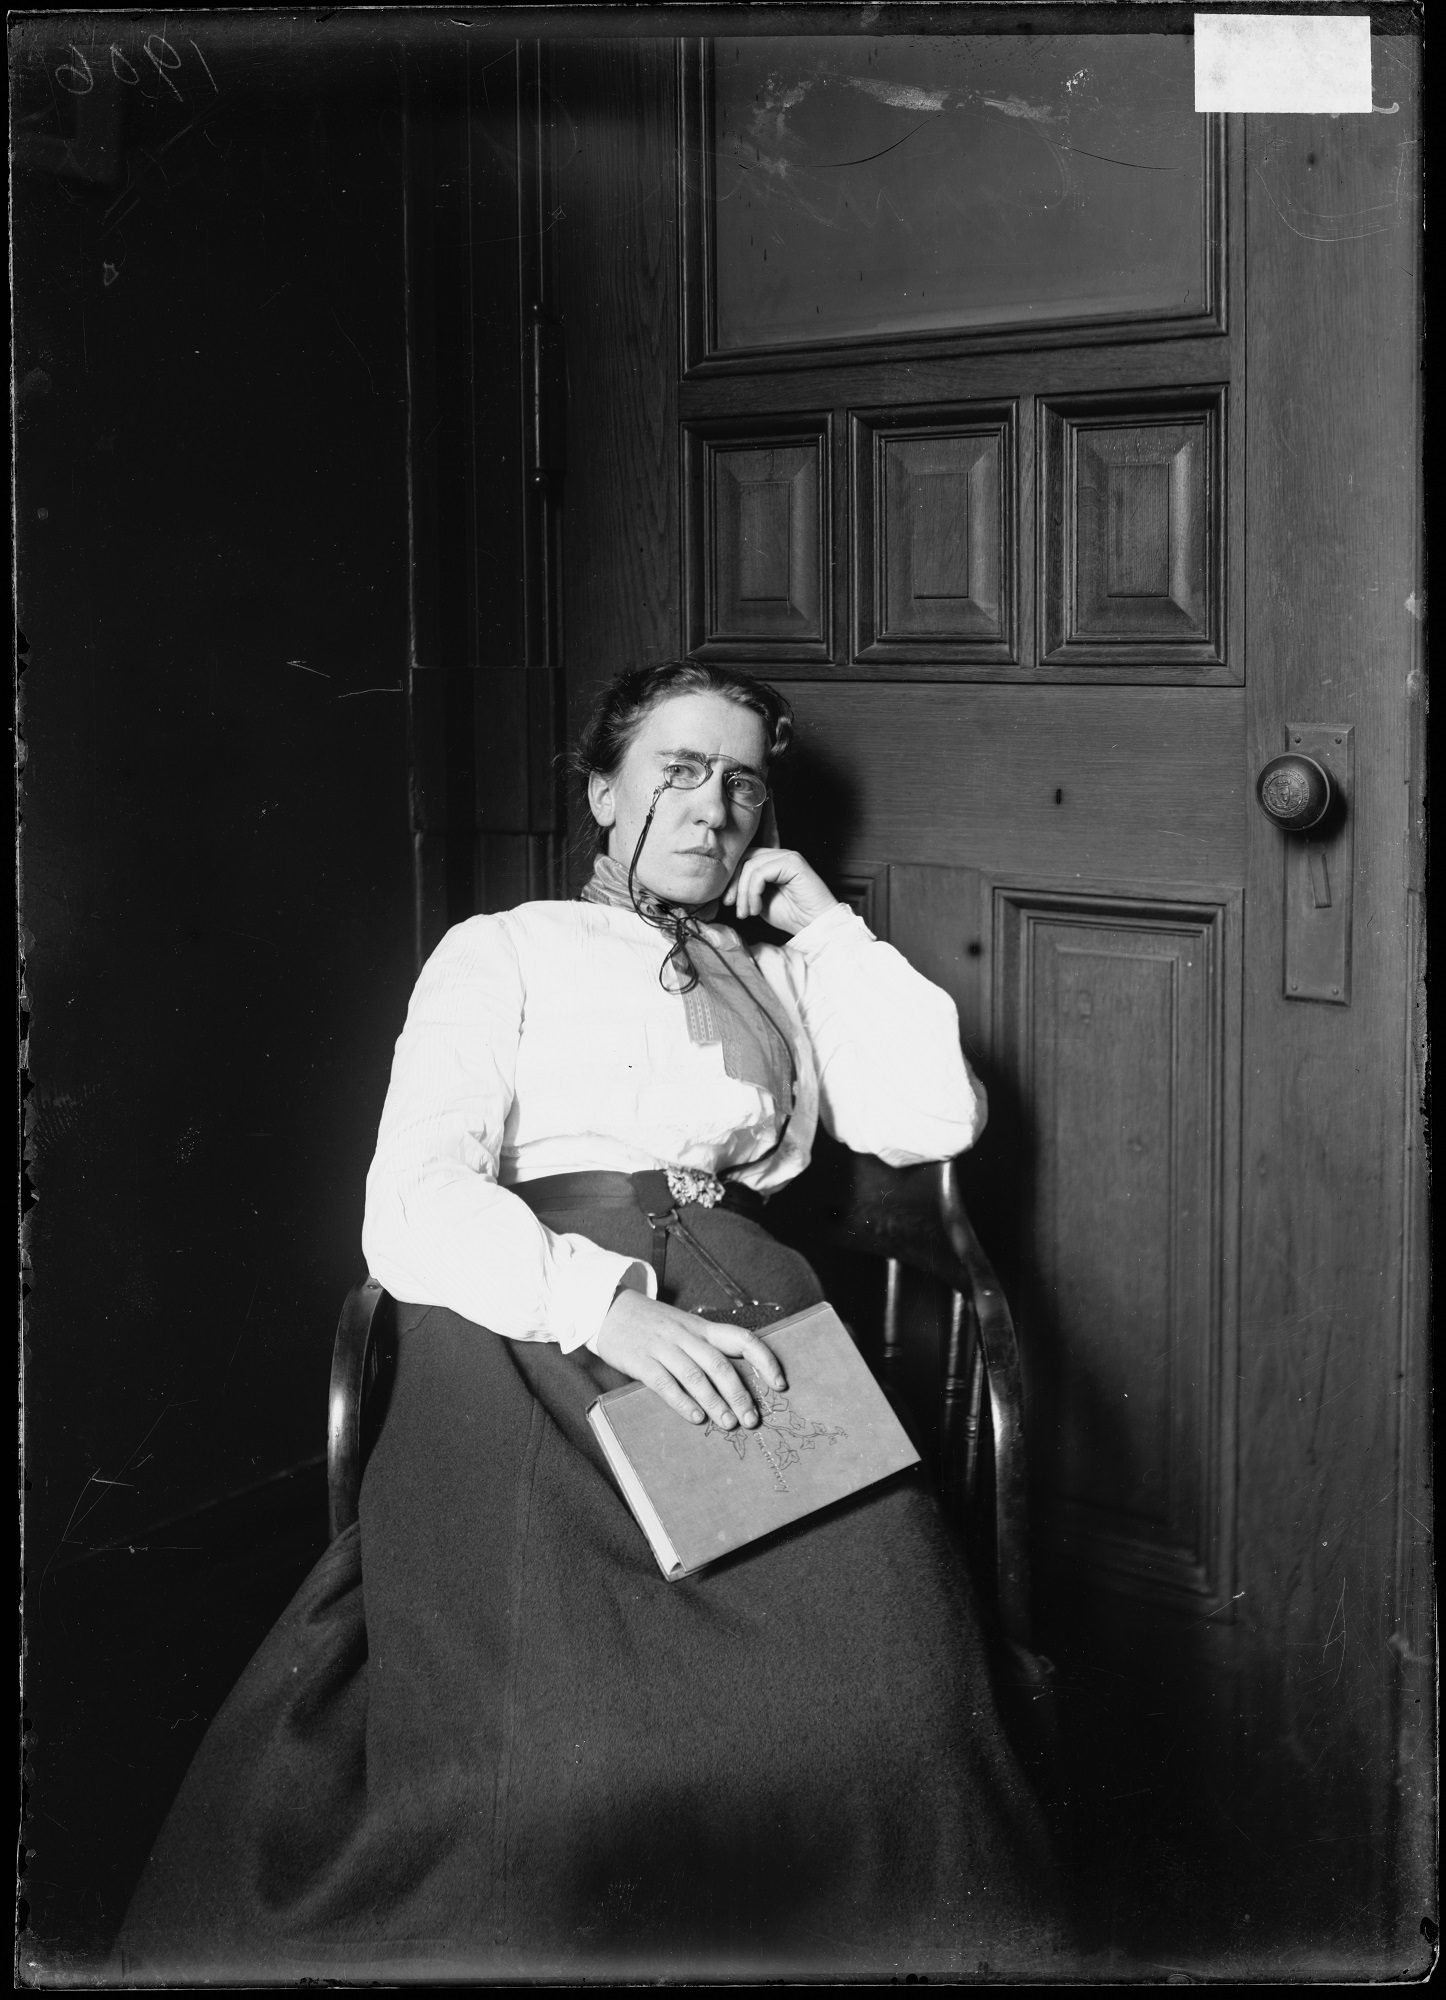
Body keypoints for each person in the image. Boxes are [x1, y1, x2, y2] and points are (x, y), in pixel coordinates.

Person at [118, 663, 1057, 1983]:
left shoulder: (783, 980)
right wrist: (606, 1309)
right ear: (605, 795)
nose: (711, 806)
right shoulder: (501, 948)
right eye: (675, 770)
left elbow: (930, 1118)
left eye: (740, 783)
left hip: (751, 1325)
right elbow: (411, 1199)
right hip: (525, 1324)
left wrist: (825, 926)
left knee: (908, 1725)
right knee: (560, 1771)